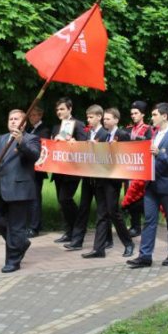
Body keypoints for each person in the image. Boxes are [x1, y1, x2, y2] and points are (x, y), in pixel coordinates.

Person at [127, 102, 168, 268]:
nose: (151, 118)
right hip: (151, 185)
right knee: (149, 221)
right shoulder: (154, 134)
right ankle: (145, 256)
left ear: (164, 116)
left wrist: (160, 154)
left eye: (154, 115)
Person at [0, 109, 41, 273]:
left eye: (17, 119)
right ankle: (21, 242)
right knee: (0, 223)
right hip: (0, 189)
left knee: (16, 227)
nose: (13, 121)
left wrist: (21, 141)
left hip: (19, 190)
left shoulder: (31, 139)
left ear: (24, 123)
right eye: (11, 119)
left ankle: (12, 261)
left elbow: (35, 155)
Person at [82, 108, 135, 258]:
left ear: (116, 120)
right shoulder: (104, 135)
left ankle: (128, 243)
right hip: (101, 177)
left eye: (108, 119)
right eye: (104, 119)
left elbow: (126, 155)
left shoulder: (122, 134)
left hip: (113, 179)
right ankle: (99, 249)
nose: (105, 121)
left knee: (113, 212)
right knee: (101, 213)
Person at [64, 104, 108, 251]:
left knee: (103, 210)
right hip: (88, 177)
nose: (88, 120)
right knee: (83, 208)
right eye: (87, 117)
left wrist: (97, 147)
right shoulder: (89, 133)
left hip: (100, 178)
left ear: (99, 117)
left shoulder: (105, 134)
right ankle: (77, 241)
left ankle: (106, 239)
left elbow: (108, 154)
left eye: (91, 117)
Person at [50, 97, 88, 244]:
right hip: (58, 169)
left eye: (62, 109)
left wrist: (73, 142)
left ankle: (78, 228)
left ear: (70, 109)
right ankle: (69, 232)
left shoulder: (78, 124)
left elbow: (84, 144)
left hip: (72, 170)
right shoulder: (56, 127)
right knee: (62, 202)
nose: (59, 112)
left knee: (65, 199)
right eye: (57, 110)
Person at [124, 100, 153, 237]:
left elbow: (149, 146)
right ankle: (134, 225)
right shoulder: (128, 129)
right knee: (129, 196)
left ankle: (145, 224)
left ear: (143, 114)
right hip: (128, 168)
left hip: (141, 168)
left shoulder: (148, 129)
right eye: (132, 114)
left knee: (141, 198)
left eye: (136, 113)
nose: (133, 116)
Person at [25, 104, 50, 238]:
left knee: (35, 198)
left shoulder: (43, 130)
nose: (31, 118)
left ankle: (34, 227)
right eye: (30, 115)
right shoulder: (30, 129)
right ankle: (33, 224)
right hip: (28, 168)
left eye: (34, 115)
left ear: (40, 115)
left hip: (37, 169)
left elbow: (40, 146)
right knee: (30, 197)